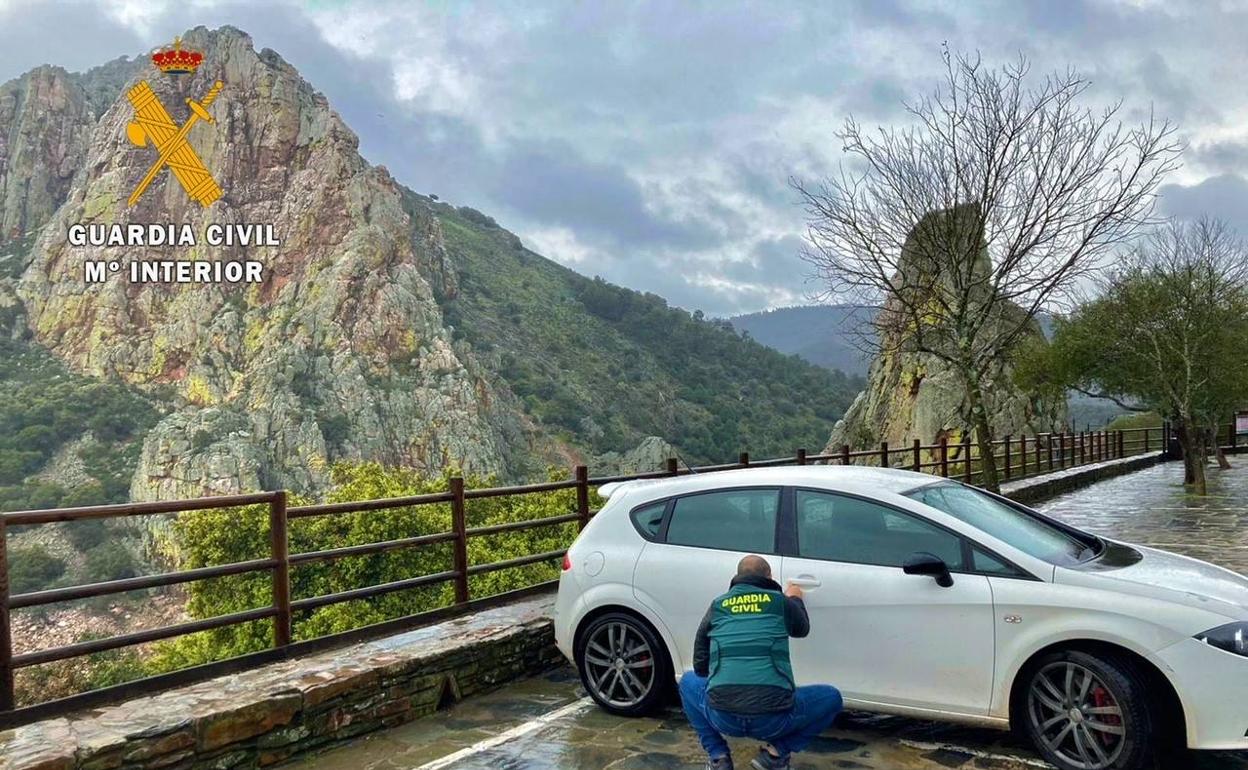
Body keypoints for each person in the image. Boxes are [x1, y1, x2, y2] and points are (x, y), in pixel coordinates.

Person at [679, 554, 843, 770]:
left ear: (737, 577)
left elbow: (700, 666)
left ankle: (718, 757)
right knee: (832, 698)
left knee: (687, 681)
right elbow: (801, 629)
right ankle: (775, 755)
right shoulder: (779, 601)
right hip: (774, 721)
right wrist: (795, 598)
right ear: (769, 576)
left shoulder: (717, 605)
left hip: (722, 717)